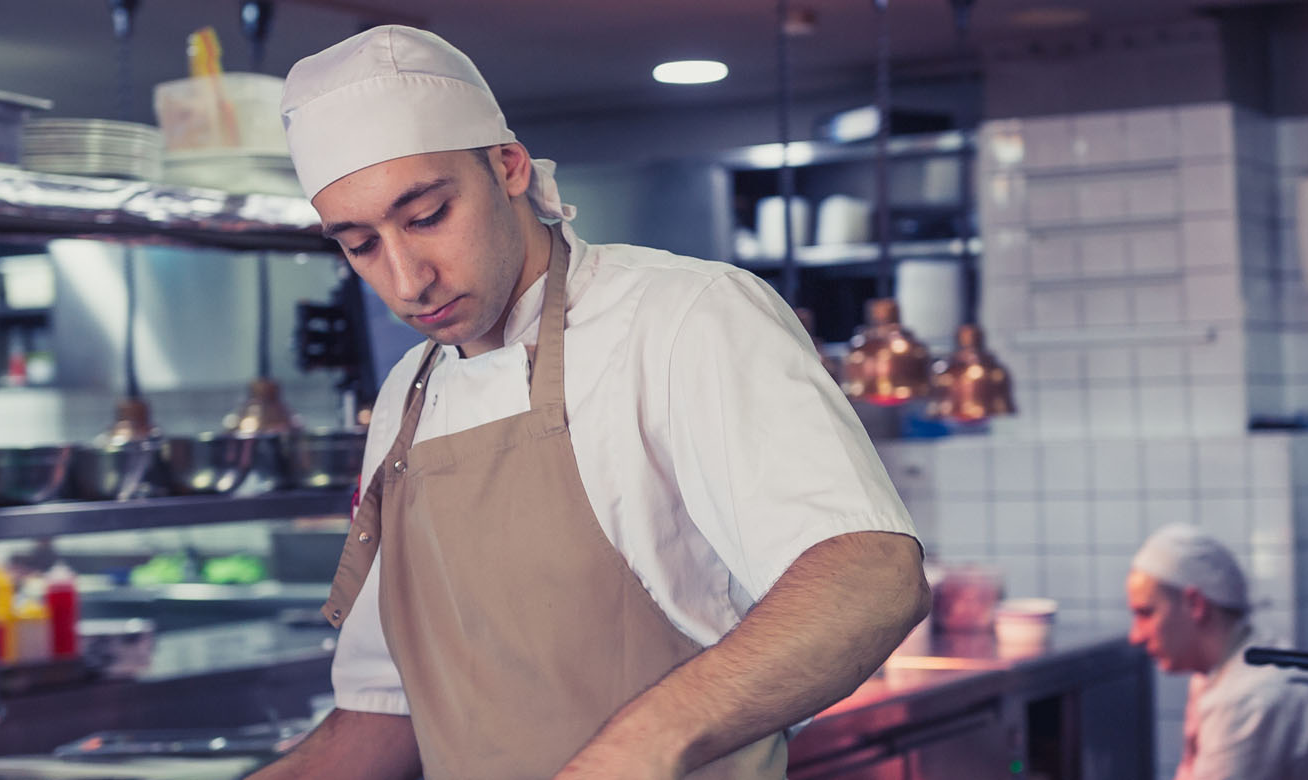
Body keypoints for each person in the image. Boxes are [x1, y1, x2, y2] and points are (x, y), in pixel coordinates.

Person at [249, 26, 929, 780]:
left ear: (507, 167)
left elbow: (871, 578)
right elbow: (384, 712)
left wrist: (637, 748)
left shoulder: (683, 318)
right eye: (360, 244)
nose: (408, 281)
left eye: (427, 216)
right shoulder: (410, 391)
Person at [1127, 524, 1308, 780]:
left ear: (1195, 604)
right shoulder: (1222, 669)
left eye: (1145, 613)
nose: (1135, 636)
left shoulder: (1249, 698)